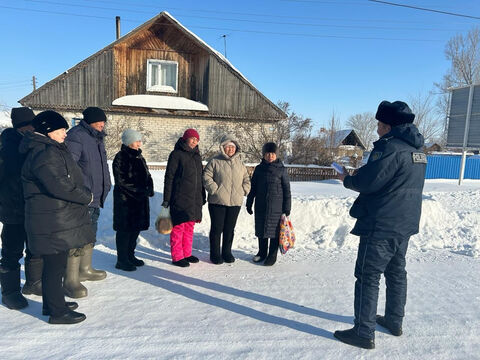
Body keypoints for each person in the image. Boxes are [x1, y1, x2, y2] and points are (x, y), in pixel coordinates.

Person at [333, 101, 426, 349]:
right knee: (396, 272)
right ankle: (395, 321)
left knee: (367, 275)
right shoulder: (418, 150)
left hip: (382, 223)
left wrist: (347, 178)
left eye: (379, 125)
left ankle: (363, 332)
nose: (376, 130)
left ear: (388, 126)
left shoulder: (389, 148)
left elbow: (369, 182)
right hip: (405, 222)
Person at [20, 110, 94, 324]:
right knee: (54, 266)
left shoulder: (47, 148)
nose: (65, 134)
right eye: (61, 130)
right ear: (48, 130)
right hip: (50, 219)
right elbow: (59, 184)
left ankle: (52, 303)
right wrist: (86, 197)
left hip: (52, 217)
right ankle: (57, 312)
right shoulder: (44, 152)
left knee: (55, 264)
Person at [0, 107, 44, 310]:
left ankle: (34, 283)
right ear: (21, 126)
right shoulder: (7, 147)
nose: (33, 128)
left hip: (33, 208)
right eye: (30, 125)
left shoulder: (32, 143)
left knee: (35, 247)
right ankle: (10, 292)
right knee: (11, 251)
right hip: (13, 210)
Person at [64, 107, 111, 296]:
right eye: (100, 121)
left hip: (95, 196)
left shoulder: (97, 137)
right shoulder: (77, 136)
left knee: (90, 233)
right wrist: (79, 192)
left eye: (104, 122)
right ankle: (70, 279)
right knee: (77, 237)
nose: (103, 124)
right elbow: (69, 167)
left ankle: (85, 269)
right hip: (83, 198)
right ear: (90, 121)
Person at [203, 134, 251, 264]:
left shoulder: (240, 164)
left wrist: (244, 190)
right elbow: (206, 176)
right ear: (223, 147)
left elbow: (246, 179)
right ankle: (215, 254)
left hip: (235, 202)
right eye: (228, 146)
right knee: (217, 229)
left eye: (232, 147)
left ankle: (227, 252)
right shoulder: (215, 161)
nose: (230, 149)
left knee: (229, 229)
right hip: (217, 201)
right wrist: (214, 189)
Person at [162, 128, 206, 267]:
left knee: (189, 227)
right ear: (185, 139)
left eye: (196, 139)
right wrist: (167, 199)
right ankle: (177, 256)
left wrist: (202, 195)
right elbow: (169, 177)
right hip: (180, 197)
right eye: (192, 138)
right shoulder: (176, 154)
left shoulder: (197, 156)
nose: (194, 141)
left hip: (194, 199)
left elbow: (200, 179)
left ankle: (186, 253)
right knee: (178, 227)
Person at [112, 129, 154, 271]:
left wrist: (150, 187)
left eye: (139, 140)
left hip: (139, 202)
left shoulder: (139, 157)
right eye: (136, 141)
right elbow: (121, 181)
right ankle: (122, 260)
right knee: (125, 231)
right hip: (126, 202)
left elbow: (147, 175)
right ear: (129, 141)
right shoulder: (121, 157)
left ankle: (130, 255)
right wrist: (139, 190)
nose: (139, 143)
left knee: (135, 230)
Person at [246, 142, 291, 266]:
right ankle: (262, 253)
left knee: (275, 232)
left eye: (272, 154)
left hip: (277, 207)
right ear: (264, 155)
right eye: (267, 154)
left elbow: (287, 190)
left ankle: (272, 255)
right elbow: (253, 188)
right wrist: (249, 203)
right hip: (261, 205)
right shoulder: (259, 169)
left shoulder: (282, 170)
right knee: (261, 230)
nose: (270, 156)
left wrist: (287, 208)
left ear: (276, 155)